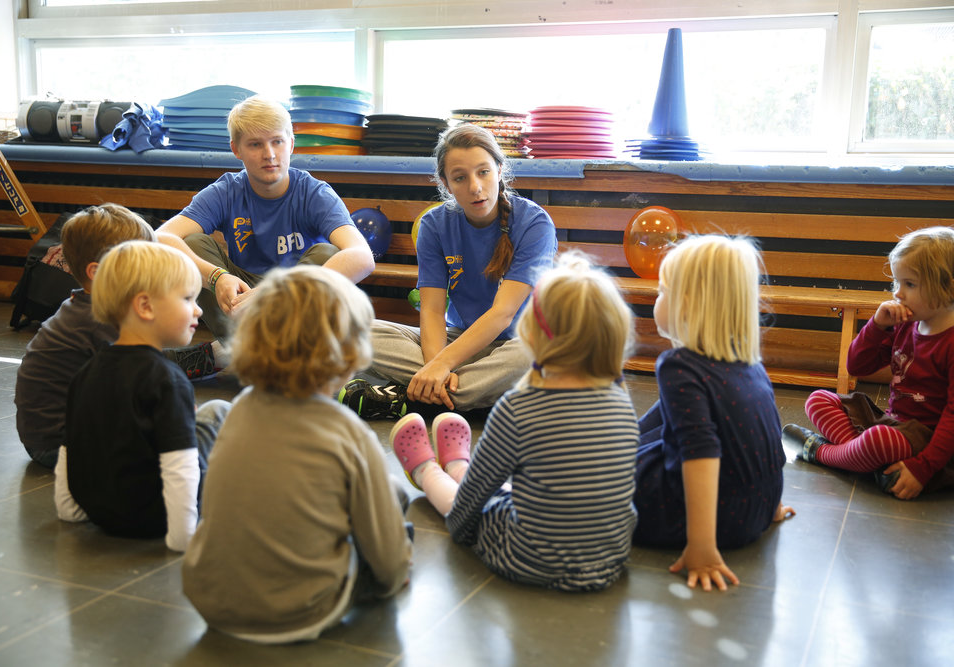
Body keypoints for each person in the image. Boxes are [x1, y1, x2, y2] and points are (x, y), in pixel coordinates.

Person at [182, 265, 412, 643]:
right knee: (393, 501)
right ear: (349, 354)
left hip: (211, 599)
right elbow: (387, 561)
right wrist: (396, 570)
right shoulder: (349, 432)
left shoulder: (238, 411)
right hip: (297, 613)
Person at [389, 252, 638, 591]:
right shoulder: (622, 402)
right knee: (522, 491)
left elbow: (471, 503)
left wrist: (462, 530)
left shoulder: (519, 408)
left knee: (485, 501)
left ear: (531, 335)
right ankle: (458, 465)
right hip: (609, 560)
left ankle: (427, 471)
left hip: (529, 560)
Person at [339, 123, 557, 419]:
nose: (475, 187)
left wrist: (443, 365)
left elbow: (503, 314)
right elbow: (432, 311)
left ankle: (415, 399)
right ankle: (471, 395)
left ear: (499, 170)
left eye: (483, 172)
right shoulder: (434, 225)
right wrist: (436, 366)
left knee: (535, 352)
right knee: (354, 330)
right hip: (460, 339)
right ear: (445, 182)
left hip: (518, 343)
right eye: (460, 177)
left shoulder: (534, 223)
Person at [633, 235, 794, 592]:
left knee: (603, 478)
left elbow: (700, 453)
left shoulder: (678, 366)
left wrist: (702, 546)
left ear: (687, 304)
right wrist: (772, 504)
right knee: (650, 431)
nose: (656, 299)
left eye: (662, 291)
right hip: (757, 510)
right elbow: (769, 433)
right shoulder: (749, 363)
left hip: (711, 520)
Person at [156, 95, 374, 341]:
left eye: (277, 142)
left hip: (296, 302)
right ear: (236, 149)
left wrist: (278, 292)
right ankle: (247, 347)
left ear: (291, 145)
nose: (269, 154)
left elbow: (362, 256)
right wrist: (217, 277)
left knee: (328, 254)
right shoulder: (226, 191)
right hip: (242, 299)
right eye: (255, 144)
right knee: (193, 243)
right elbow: (160, 238)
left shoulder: (314, 192)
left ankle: (263, 349)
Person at [54, 241, 227, 552]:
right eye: (187, 299)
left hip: (100, 512)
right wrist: (183, 537)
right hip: (156, 517)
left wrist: (70, 508)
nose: (199, 310)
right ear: (145, 306)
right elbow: (180, 465)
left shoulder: (86, 371)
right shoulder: (167, 379)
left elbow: (71, 447)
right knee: (217, 411)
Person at [784, 226, 954, 500]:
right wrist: (876, 326)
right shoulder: (905, 324)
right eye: (896, 283)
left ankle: (820, 452)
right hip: (893, 425)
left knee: (879, 441)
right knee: (818, 400)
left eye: (910, 284)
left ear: (948, 287)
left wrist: (923, 469)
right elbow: (856, 366)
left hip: (928, 441)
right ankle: (869, 463)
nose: (898, 294)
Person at [14, 204, 155, 468]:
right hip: (59, 444)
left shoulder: (84, 306)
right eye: (140, 261)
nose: (151, 269)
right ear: (97, 272)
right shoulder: (98, 319)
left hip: (46, 438)